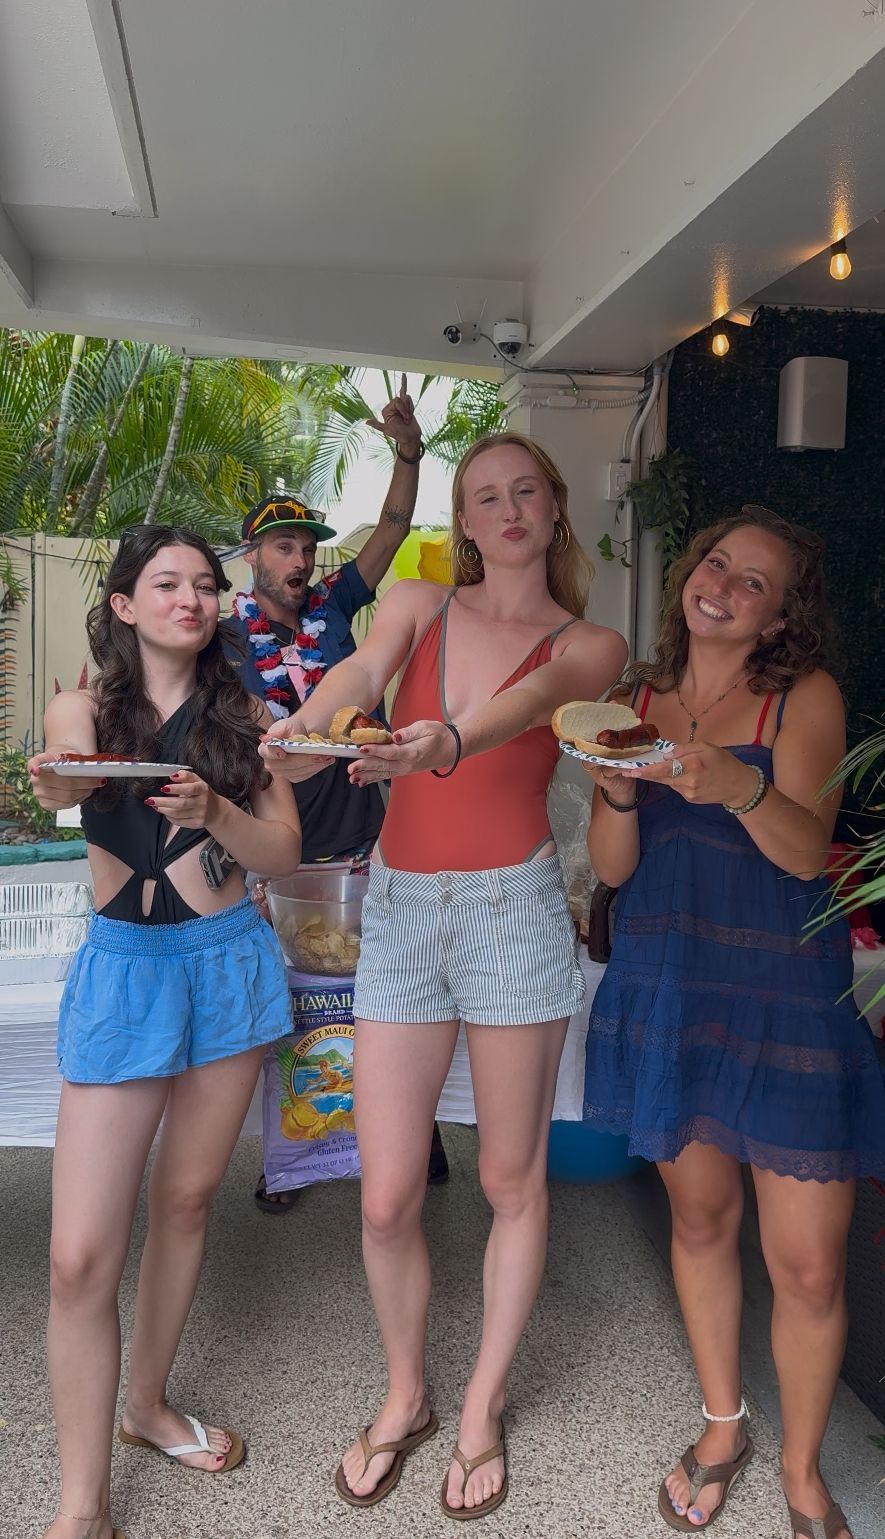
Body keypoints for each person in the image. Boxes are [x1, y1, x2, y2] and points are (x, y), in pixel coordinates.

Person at [263, 432, 627, 1518]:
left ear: (554, 509)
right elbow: (359, 672)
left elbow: (536, 704)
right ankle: (406, 1394)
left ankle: (479, 1408)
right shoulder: (419, 604)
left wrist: (443, 742)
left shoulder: (592, 643)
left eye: (526, 492)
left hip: (514, 910)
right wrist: (308, 724)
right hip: (405, 908)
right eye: (484, 497)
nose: (506, 510)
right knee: (382, 1198)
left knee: (514, 1182)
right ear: (460, 521)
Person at [581, 506, 885, 1539]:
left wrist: (736, 783)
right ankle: (724, 1427)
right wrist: (617, 796)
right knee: (701, 1222)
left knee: (808, 1263)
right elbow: (613, 871)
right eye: (717, 562)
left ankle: (803, 1473)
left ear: (784, 613)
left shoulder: (803, 697)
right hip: (668, 989)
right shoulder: (632, 698)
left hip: (789, 998)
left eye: (755, 581)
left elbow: (807, 852)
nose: (723, 584)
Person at [28, 526, 301, 1539]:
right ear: (128, 604)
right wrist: (60, 780)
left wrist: (219, 811)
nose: (191, 597)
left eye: (206, 585)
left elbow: (282, 847)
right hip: (124, 975)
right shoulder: (83, 705)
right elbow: (58, 773)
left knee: (186, 1202)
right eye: (166, 583)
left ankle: (147, 1406)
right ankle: (80, 1506)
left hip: (228, 962)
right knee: (76, 1259)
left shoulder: (251, 718)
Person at [225, 376, 450, 1211]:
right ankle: (289, 1156)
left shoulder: (339, 605)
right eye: (283, 545)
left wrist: (406, 451)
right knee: (287, 1008)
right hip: (280, 844)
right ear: (254, 557)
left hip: (362, 832)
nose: (300, 558)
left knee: (384, 994)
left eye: (307, 545)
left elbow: (392, 528)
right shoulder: (224, 641)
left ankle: (414, 1138)